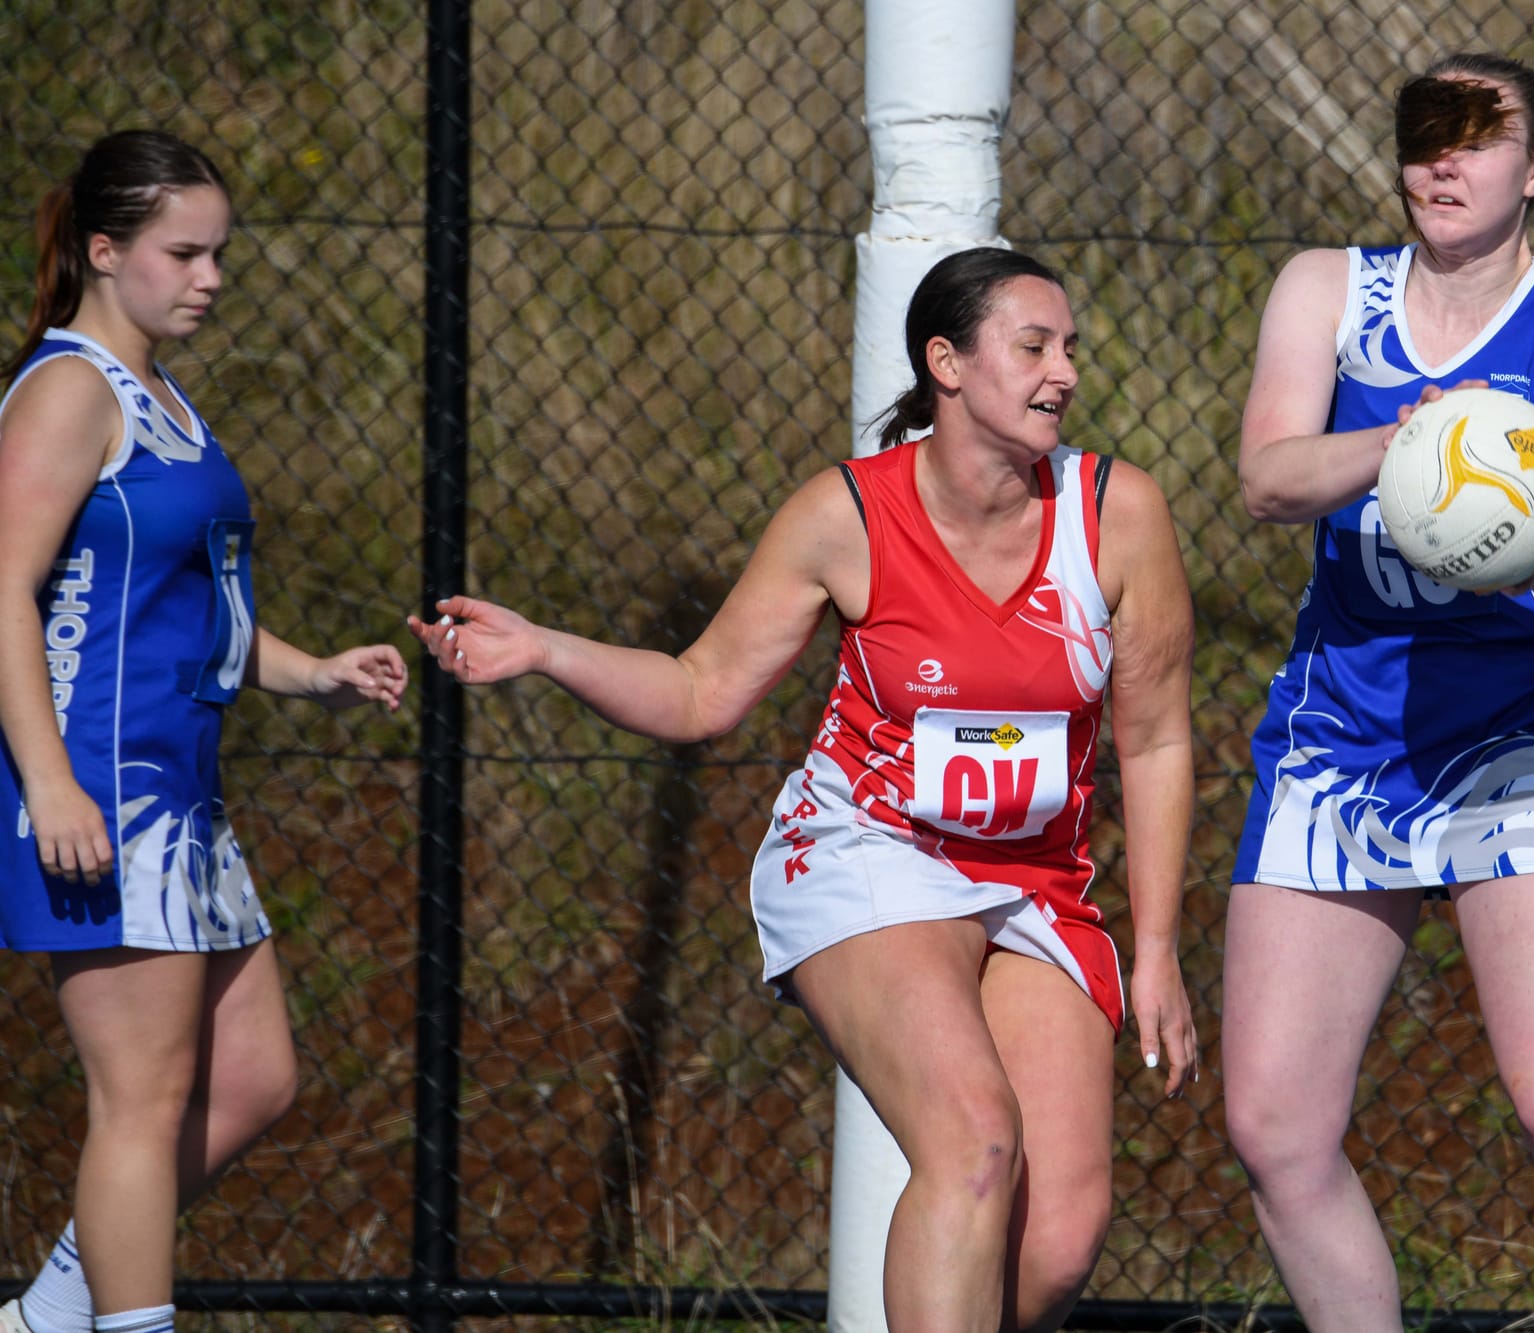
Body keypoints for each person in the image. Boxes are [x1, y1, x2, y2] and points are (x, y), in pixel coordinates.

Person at [409, 246, 1197, 1332]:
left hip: (1032, 880)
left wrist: (1154, 948)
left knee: (1057, 1240)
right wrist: (546, 647)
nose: (1062, 371)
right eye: (1032, 346)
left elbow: (1154, 740)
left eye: (1069, 348)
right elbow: (699, 692)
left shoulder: (1118, 512)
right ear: (947, 364)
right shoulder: (846, 517)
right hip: (872, 851)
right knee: (971, 1140)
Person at [1221, 54, 1534, 1331]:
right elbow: (1267, 479)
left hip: (1513, 741)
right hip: (1341, 732)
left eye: (1476, 137)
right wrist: (1410, 446)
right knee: (1273, 1126)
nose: (1441, 159)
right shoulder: (1328, 290)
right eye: (1421, 133)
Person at [0, 130, 407, 1333]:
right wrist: (50, 784)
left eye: (219, 252)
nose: (210, 276)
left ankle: (46, 1317)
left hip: (179, 795)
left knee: (253, 1077)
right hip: (98, 793)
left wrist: (309, 671)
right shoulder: (68, 388)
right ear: (103, 249)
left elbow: (189, 607)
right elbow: (4, 590)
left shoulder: (158, 394)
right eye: (183, 252)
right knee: (143, 1099)